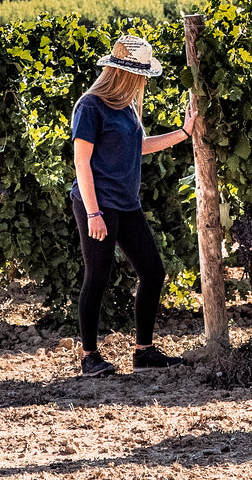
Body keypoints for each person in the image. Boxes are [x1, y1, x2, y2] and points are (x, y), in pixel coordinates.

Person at [70, 34, 194, 377]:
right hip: (97, 203)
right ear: (124, 73)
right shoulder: (90, 106)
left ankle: (143, 352)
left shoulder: (127, 107)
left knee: (153, 272)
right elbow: (82, 163)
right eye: (139, 74)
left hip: (126, 203)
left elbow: (137, 147)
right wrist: (94, 213)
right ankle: (89, 357)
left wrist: (184, 133)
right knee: (98, 275)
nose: (143, 81)